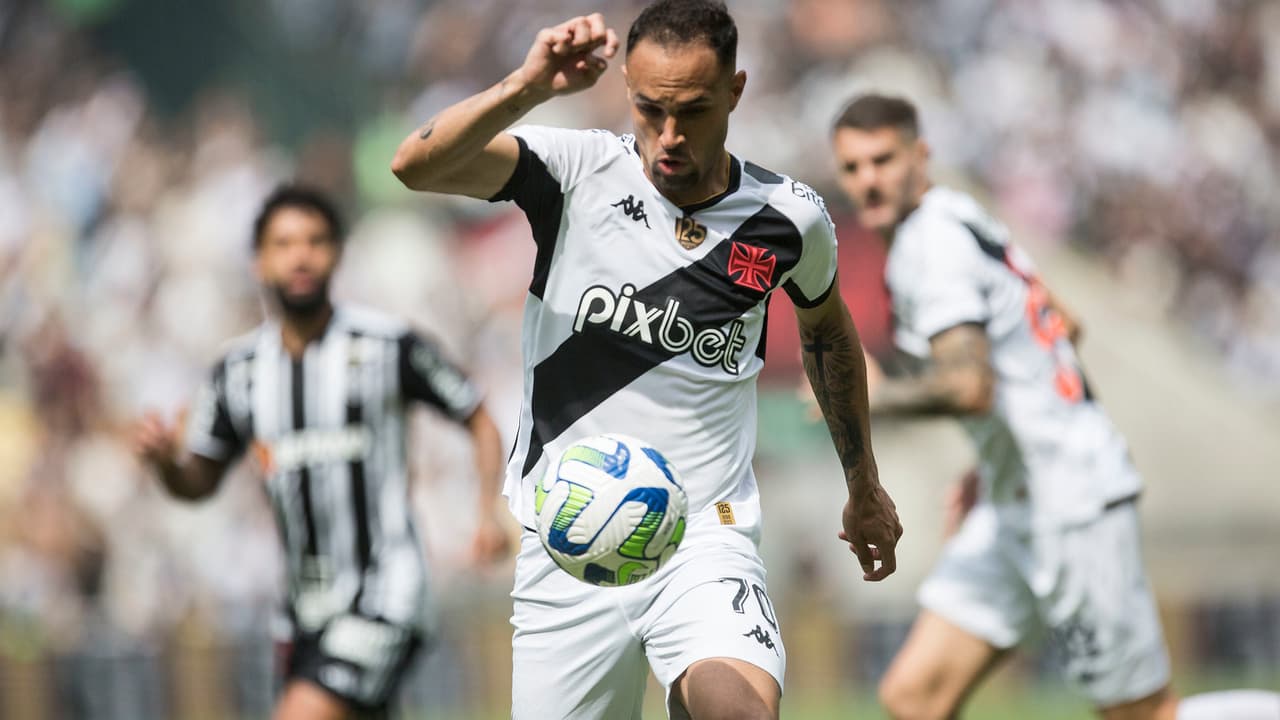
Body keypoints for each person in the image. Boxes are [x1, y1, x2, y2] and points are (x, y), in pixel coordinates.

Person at [391, 3, 902, 719]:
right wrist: (528, 86)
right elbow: (415, 164)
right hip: (567, 541)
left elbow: (826, 332)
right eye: (648, 107)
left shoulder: (788, 220)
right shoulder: (576, 171)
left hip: (703, 534)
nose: (668, 135)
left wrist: (864, 485)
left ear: (736, 91)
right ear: (626, 85)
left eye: (691, 110)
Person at [830, 93, 1280, 720]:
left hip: (1072, 505)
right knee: (914, 696)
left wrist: (870, 398)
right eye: (852, 168)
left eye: (882, 160)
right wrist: (996, 454)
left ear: (921, 155)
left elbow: (970, 386)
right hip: (1016, 498)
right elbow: (1062, 322)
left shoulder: (928, 246)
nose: (868, 180)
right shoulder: (961, 215)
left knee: (1142, 715)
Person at [132, 184, 510, 720]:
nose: (301, 256)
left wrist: (486, 510)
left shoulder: (386, 345)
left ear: (336, 253)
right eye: (284, 244)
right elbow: (199, 482)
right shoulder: (238, 372)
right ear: (259, 261)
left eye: (315, 241)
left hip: (386, 595)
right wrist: (166, 461)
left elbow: (476, 413)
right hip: (302, 614)